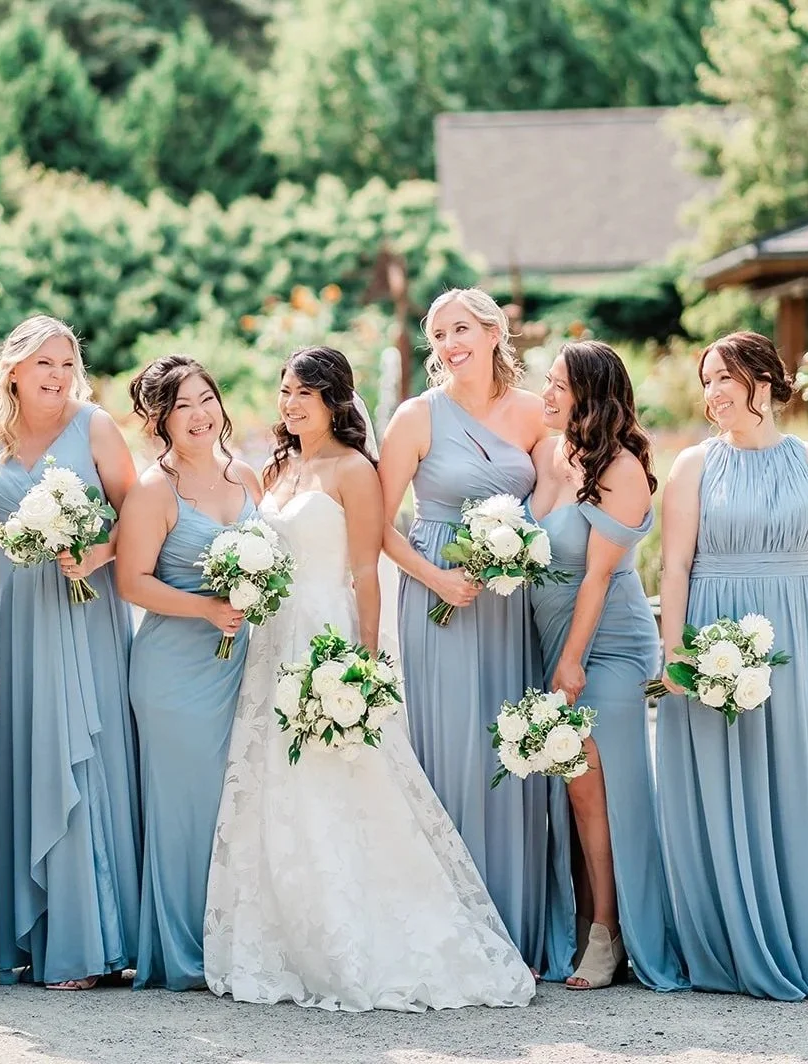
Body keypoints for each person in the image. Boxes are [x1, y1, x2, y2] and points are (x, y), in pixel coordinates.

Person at [205, 346, 535, 1011]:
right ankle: (287, 934)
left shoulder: (356, 470)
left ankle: (360, 937)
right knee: (273, 779)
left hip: (325, 634)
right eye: (285, 391)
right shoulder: (280, 467)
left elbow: (364, 571)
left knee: (340, 777)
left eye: (304, 393)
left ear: (334, 400)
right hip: (273, 638)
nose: (291, 404)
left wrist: (362, 664)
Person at [656, 330, 808, 1000]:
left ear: (765, 380)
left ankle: (804, 939)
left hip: (793, 641)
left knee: (793, 775)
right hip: (711, 636)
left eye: (726, 377)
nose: (714, 393)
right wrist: (676, 653)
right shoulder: (693, 465)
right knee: (722, 779)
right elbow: (675, 565)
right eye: (707, 381)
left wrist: (794, 611)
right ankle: (730, 941)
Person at [378, 288, 572, 978]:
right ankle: (453, 930)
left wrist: (520, 550)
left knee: (509, 750)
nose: (448, 343)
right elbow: (376, 526)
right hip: (440, 597)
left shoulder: (534, 413)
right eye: (438, 334)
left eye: (460, 328)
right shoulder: (416, 416)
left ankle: (514, 928)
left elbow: (557, 498)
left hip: (509, 602)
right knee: (453, 749)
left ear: (494, 332)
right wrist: (438, 580)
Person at [0, 314, 141, 990]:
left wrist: (95, 553)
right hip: (17, 615)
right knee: (32, 745)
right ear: (13, 370)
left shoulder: (95, 426)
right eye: (44, 363)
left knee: (86, 751)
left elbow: (138, 516)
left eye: (67, 364)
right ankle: (34, 937)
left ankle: (92, 942)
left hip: (85, 606)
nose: (58, 376)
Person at [527, 341, 687, 991]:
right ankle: (585, 919)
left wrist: (571, 664)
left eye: (558, 385)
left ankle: (609, 932)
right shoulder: (550, 453)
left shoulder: (621, 468)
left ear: (590, 396)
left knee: (595, 780)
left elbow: (596, 578)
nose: (545, 393)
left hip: (609, 644)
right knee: (572, 786)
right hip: (554, 638)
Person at [116, 356, 260, 990]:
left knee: (236, 801)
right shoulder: (155, 490)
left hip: (239, 667)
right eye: (182, 406)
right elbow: (132, 581)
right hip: (174, 671)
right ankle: (183, 949)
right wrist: (206, 607)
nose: (200, 414)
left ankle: (232, 936)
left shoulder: (245, 475)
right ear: (160, 420)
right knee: (185, 809)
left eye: (206, 399)